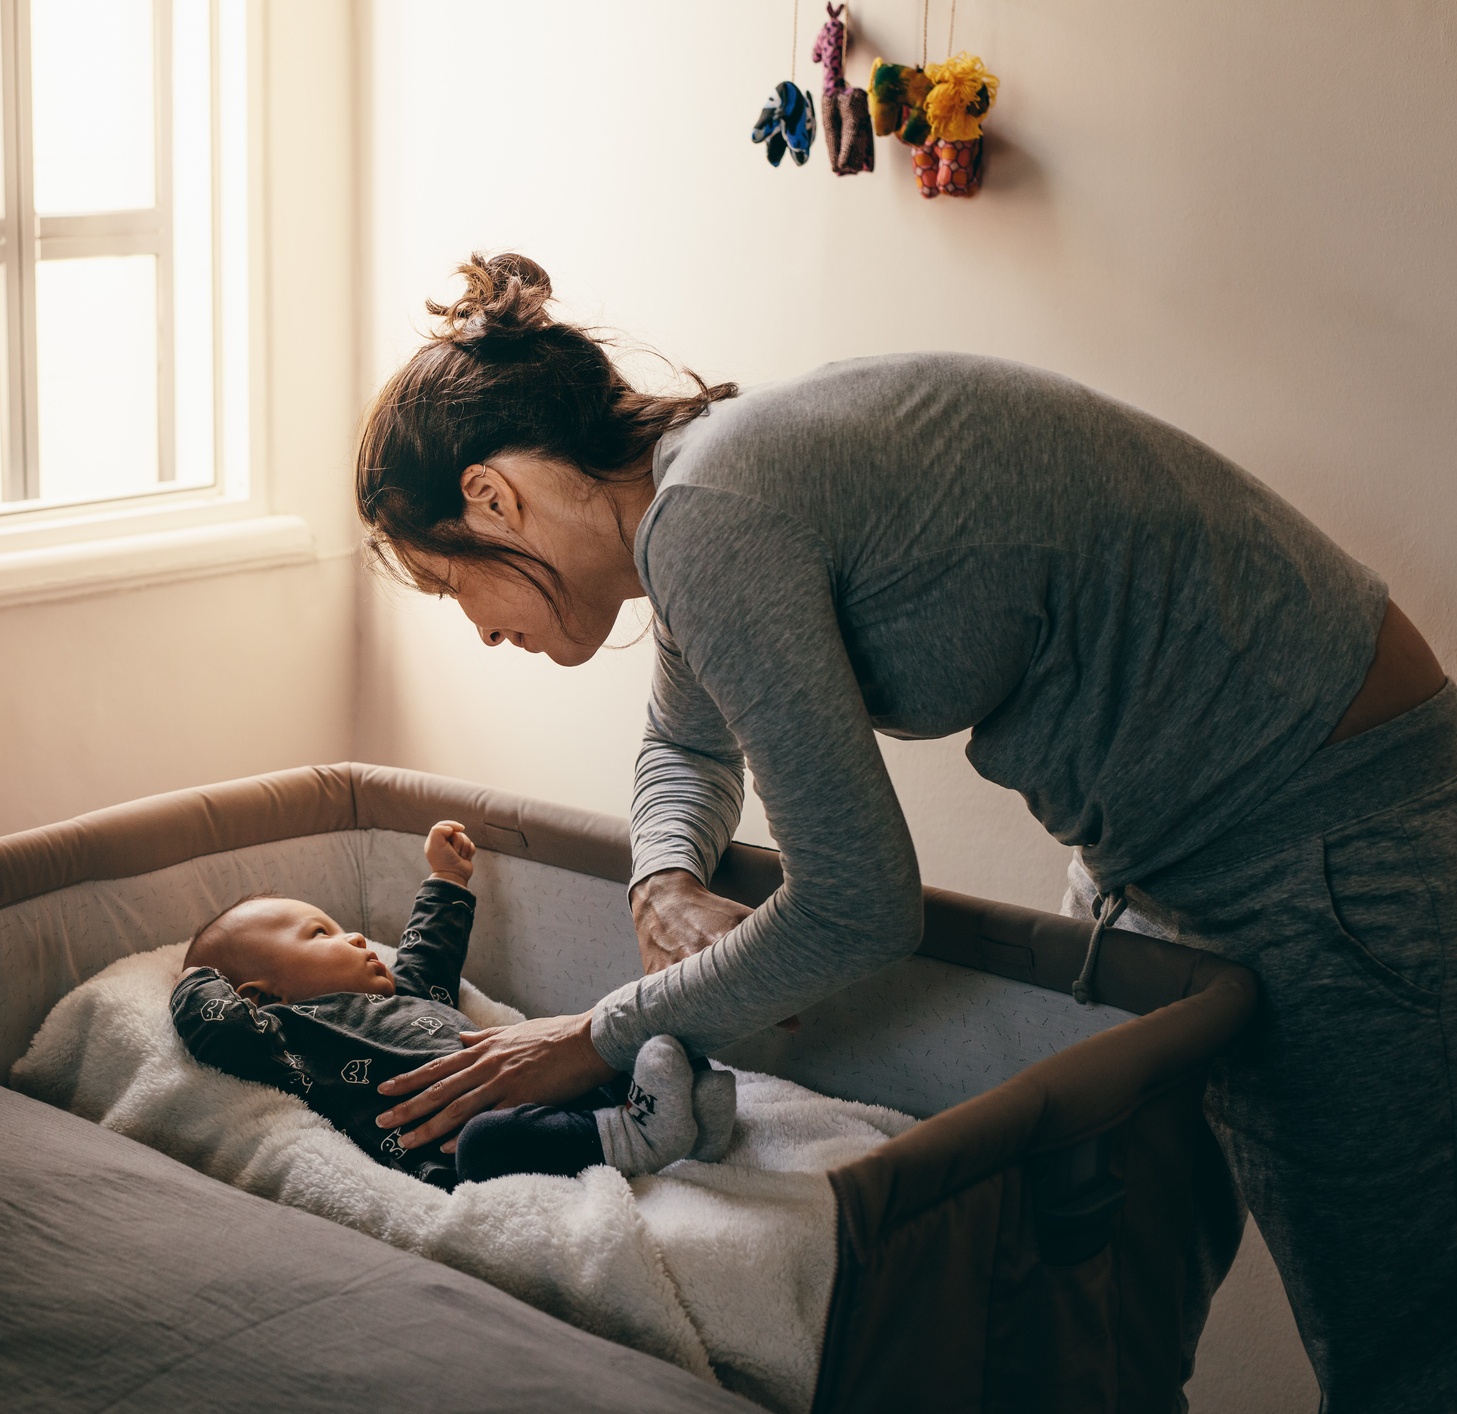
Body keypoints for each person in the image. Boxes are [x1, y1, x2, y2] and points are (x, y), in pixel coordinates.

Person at [353, 252, 1454, 1410]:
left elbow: (859, 903)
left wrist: (598, 1035)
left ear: (491, 498)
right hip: (1155, 848)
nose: (475, 629)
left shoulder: (711, 515)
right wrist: (664, 873)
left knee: (1401, 1344)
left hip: (1324, 826)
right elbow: (685, 746)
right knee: (1099, 1307)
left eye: (449, 587)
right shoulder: (695, 500)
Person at [170, 820, 736, 1189]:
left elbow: (429, 958)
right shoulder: (290, 1036)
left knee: (613, 1048)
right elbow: (219, 1030)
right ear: (262, 996)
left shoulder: (403, 995)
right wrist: (194, 979)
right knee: (488, 1143)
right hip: (459, 1145)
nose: (357, 939)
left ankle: (682, 1119)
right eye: (322, 935)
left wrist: (446, 877)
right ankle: (634, 1136)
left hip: (530, 1082)